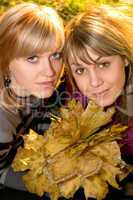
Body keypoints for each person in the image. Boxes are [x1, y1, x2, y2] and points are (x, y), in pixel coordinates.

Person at [63, 4, 133, 199]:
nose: (94, 82)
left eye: (103, 64)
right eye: (81, 70)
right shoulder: (72, 95)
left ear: (125, 58)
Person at [0, 2, 64, 198]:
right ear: (5, 59)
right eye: (32, 58)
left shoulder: (36, 89)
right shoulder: (2, 120)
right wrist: (58, 186)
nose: (50, 71)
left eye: (56, 55)